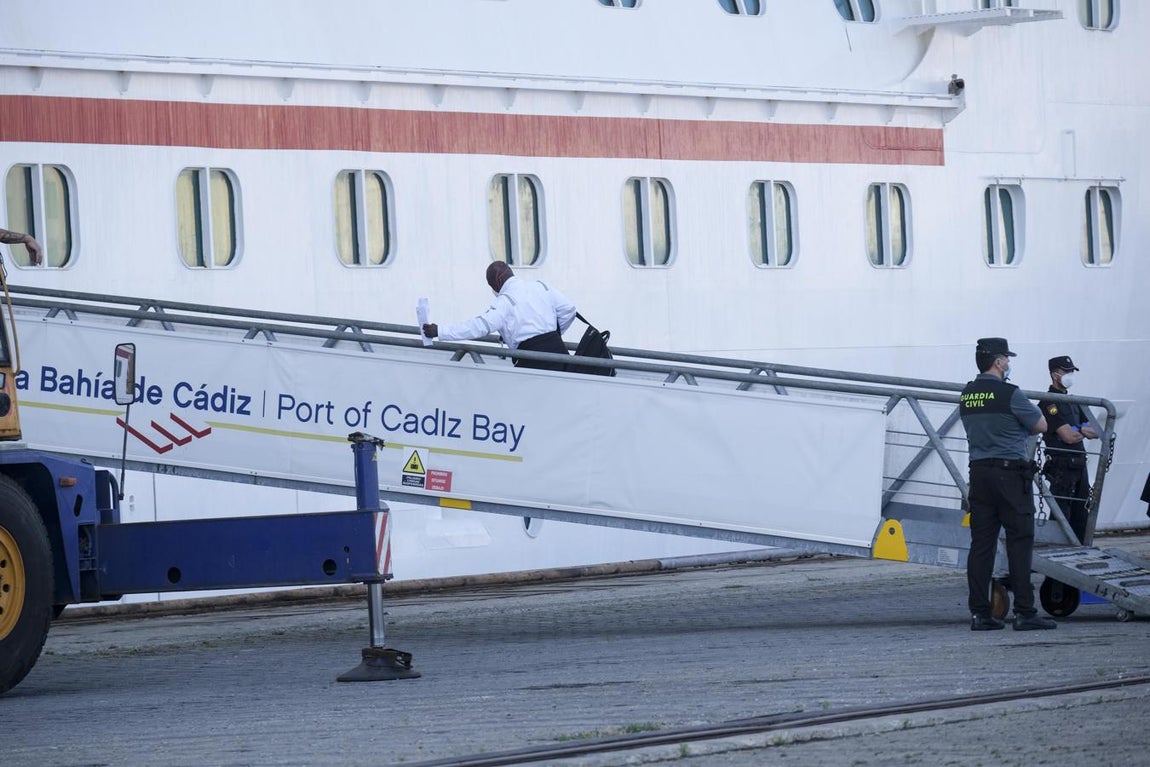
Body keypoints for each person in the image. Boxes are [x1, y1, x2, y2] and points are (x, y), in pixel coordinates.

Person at [959, 337, 1056, 631]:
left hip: (979, 474)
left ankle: (980, 613)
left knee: (981, 546)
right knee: (1019, 541)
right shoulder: (1009, 393)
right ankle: (1025, 613)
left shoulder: (967, 394)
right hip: (1010, 476)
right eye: (1007, 360)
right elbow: (1041, 425)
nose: (1009, 364)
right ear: (999, 362)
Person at [422, 262, 576, 372]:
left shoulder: (504, 302)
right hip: (560, 353)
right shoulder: (542, 286)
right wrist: (552, 336)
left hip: (532, 362)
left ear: (497, 283)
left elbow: (479, 326)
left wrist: (440, 331)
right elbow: (569, 310)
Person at [1037, 356, 1098, 543]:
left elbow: (1095, 431)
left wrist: (1076, 430)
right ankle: (1053, 561)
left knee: (1081, 514)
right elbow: (1068, 437)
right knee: (1061, 514)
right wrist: (1080, 430)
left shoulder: (1074, 402)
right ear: (1055, 374)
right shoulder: (1048, 403)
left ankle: (1080, 552)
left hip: (1079, 465)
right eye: (1066, 371)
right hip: (1062, 467)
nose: (1070, 375)